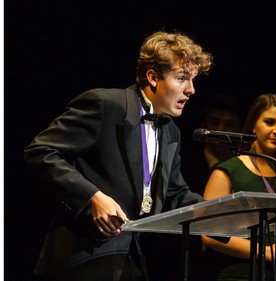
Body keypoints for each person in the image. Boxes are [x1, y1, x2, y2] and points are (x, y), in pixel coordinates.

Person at [24, 30, 213, 281]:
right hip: (83, 257)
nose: (191, 90)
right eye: (182, 79)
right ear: (153, 77)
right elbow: (41, 152)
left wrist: (227, 214)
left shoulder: (171, 132)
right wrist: (92, 196)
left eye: (193, 80)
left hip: (131, 258)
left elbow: (175, 194)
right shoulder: (106, 104)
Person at [201, 94, 276, 281]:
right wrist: (268, 252)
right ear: (253, 124)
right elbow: (208, 235)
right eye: (270, 122)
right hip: (242, 274)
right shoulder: (227, 171)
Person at [142, 94, 245, 281]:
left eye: (229, 125)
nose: (221, 130)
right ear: (204, 124)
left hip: (226, 263)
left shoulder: (243, 171)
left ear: (239, 129)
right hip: (181, 261)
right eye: (214, 122)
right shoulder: (184, 164)